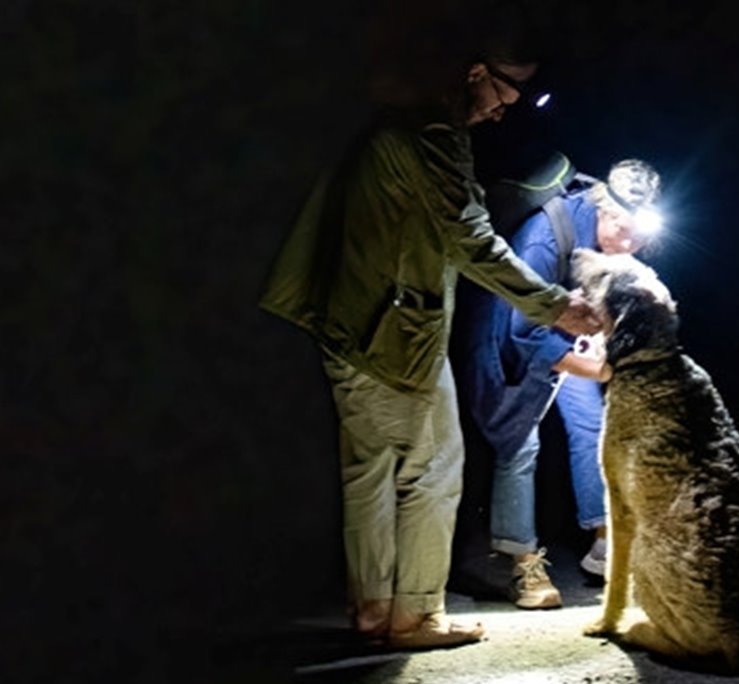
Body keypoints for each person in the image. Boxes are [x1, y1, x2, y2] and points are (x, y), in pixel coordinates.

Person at [259, 44, 602, 650]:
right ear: (475, 73)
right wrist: (558, 307)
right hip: (395, 331)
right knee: (435, 469)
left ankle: (372, 611)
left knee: (368, 472)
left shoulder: (392, 118)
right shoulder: (433, 133)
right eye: (503, 94)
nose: (502, 112)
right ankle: (416, 615)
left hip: (346, 319)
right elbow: (472, 241)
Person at [456, 159, 663, 609]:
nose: (629, 244)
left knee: (590, 420)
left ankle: (605, 544)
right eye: (622, 230)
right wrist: (606, 368)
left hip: (564, 331)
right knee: (520, 443)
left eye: (640, 235)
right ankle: (522, 563)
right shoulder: (545, 237)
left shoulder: (616, 238)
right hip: (504, 336)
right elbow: (521, 330)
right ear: (602, 208)